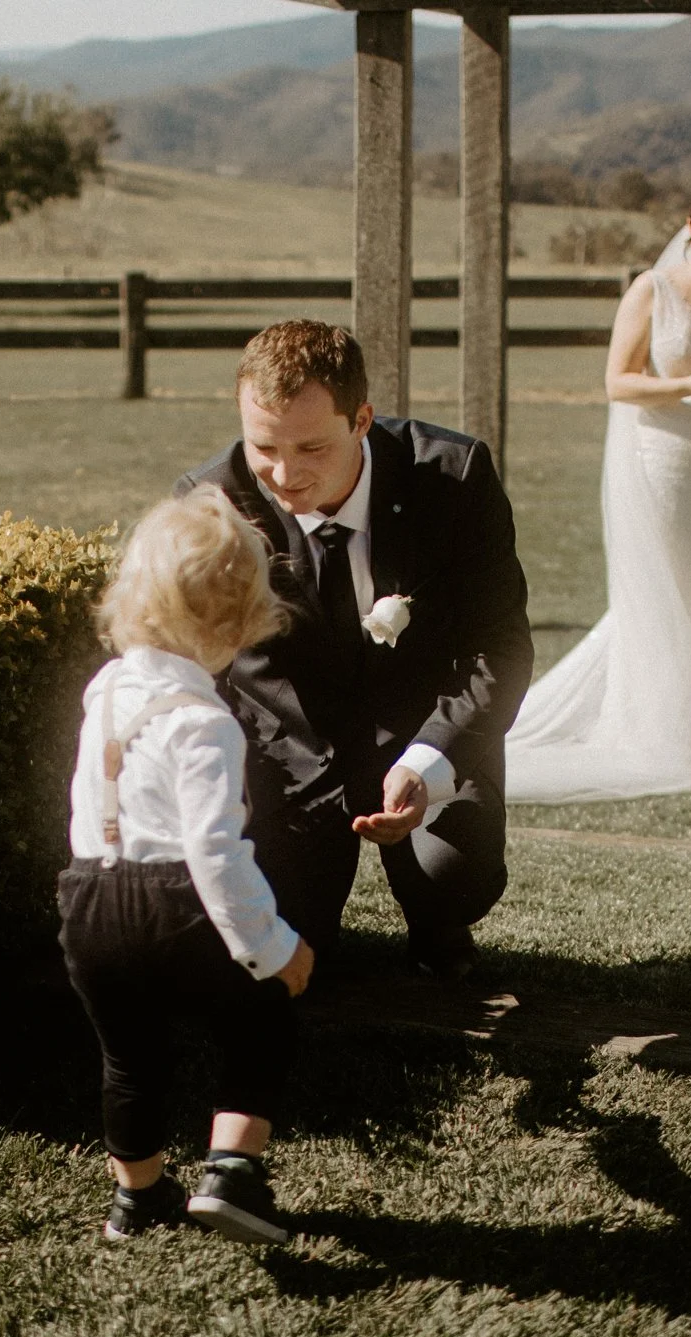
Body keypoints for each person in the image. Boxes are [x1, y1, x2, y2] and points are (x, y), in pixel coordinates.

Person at [177, 321, 533, 985]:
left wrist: (427, 763)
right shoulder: (212, 501)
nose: (285, 474)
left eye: (311, 446)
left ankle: (438, 919)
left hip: (422, 725)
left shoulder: (454, 479)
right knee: (283, 932)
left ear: (362, 418)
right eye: (265, 447)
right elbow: (197, 669)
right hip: (293, 751)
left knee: (453, 875)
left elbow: (501, 648)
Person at [60, 487, 318, 1246]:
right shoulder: (207, 725)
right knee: (259, 1015)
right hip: (175, 900)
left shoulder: (102, 692)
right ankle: (233, 1173)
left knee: (128, 1058)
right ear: (235, 627)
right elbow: (214, 853)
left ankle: (135, 1199)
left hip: (89, 899)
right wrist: (273, 948)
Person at [504, 181, 691, 802]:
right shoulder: (653, 290)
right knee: (664, 588)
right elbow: (618, 381)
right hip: (669, 461)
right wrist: (686, 385)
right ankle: (652, 723)